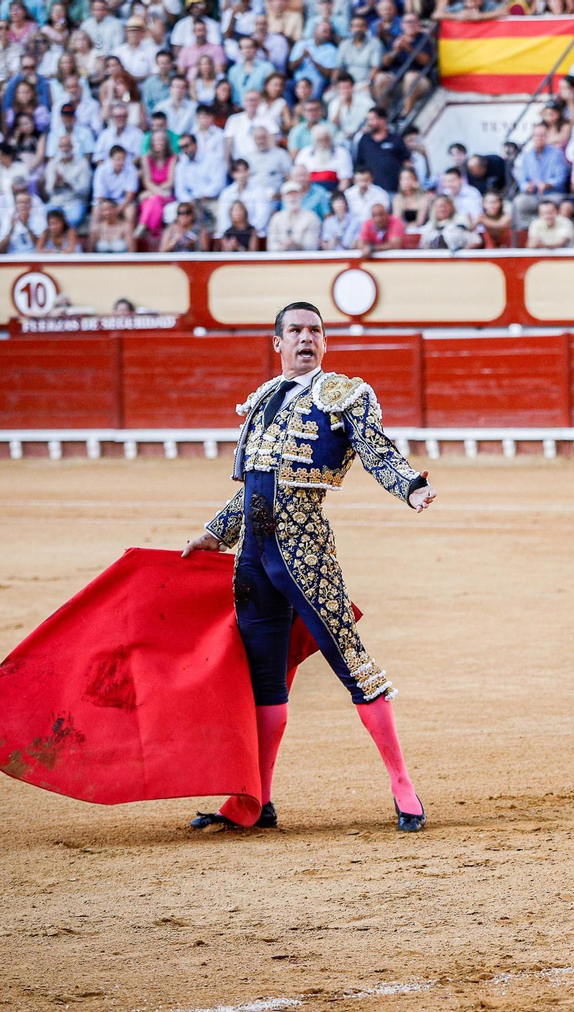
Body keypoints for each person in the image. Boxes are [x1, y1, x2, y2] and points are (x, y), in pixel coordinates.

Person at [182, 302, 436, 833]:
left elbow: (378, 452)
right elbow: (256, 484)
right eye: (295, 330)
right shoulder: (262, 400)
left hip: (304, 550)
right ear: (277, 342)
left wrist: (410, 486)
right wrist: (214, 533)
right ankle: (255, 801)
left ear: (325, 341)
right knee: (264, 681)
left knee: (352, 663)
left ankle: (402, 786)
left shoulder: (345, 394)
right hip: (252, 558)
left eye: (315, 331)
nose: (306, 338)